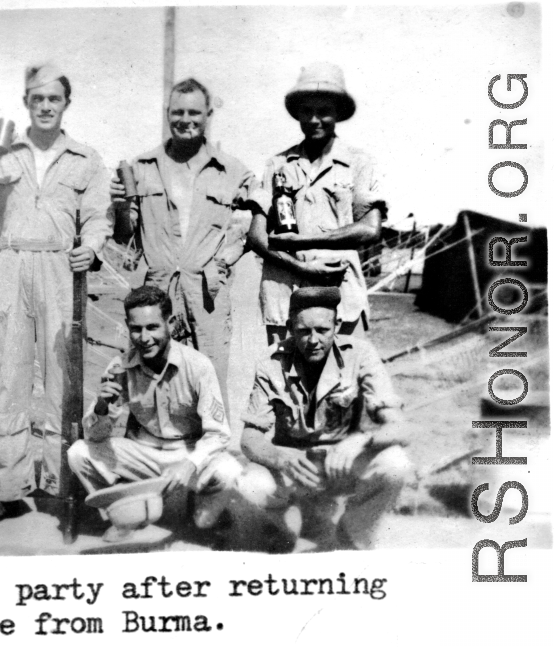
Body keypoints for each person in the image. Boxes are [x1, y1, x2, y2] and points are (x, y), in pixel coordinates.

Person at [0, 64, 112, 530]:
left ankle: (64, 492)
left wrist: (93, 245)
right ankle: (7, 492)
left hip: (62, 269)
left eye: (54, 100)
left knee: (63, 384)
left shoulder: (86, 158)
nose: (45, 107)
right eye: (37, 99)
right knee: (12, 384)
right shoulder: (3, 153)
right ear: (25, 102)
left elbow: (99, 217)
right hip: (13, 266)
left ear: (66, 104)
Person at [110, 78, 254, 408]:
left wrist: (226, 259)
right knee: (153, 389)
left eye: (194, 112)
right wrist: (119, 205)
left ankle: (210, 458)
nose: (185, 120)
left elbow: (256, 222)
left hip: (207, 297)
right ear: (166, 114)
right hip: (157, 294)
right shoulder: (141, 168)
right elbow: (123, 235)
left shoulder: (232, 171)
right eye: (177, 112)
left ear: (208, 115)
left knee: (210, 387)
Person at [238, 287, 414, 550]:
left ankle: (351, 538)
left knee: (395, 465)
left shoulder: (360, 354)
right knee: (251, 484)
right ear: (290, 328)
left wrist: (361, 441)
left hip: (341, 463)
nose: (313, 340)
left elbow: (401, 428)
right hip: (295, 465)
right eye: (303, 331)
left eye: (322, 330)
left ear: (337, 326)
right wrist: (280, 458)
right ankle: (279, 535)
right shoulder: (270, 362)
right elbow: (249, 437)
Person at [68, 285, 243, 542]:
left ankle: (205, 509)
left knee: (229, 470)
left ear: (169, 324)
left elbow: (218, 435)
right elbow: (95, 438)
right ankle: (125, 512)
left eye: (152, 327)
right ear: (128, 326)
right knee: (79, 452)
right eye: (136, 329)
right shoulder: (120, 366)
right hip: (145, 452)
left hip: (187, 453)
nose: (144, 337)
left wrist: (189, 464)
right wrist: (102, 407)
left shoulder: (197, 366)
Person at [245, 62, 385, 345]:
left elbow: (370, 229)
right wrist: (303, 268)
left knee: (344, 378)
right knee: (284, 379)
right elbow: (257, 237)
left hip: (340, 292)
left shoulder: (359, 162)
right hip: (284, 293)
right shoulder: (277, 164)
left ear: (337, 113)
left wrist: (301, 241)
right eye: (307, 111)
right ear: (297, 113)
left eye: (323, 111)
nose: (314, 119)